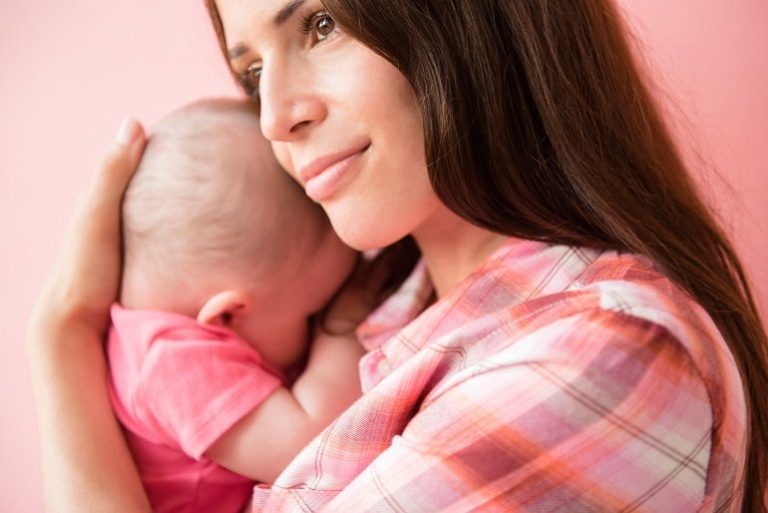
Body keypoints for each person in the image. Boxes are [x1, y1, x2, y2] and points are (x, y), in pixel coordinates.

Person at [27, 0, 768, 511]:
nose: (275, 117)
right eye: (252, 72)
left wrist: (64, 339)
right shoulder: (378, 310)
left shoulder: (598, 353)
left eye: (321, 24)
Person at [106, 98, 363, 512]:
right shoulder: (174, 366)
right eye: (314, 314)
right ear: (226, 315)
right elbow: (312, 448)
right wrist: (346, 320)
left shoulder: (149, 335)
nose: (319, 327)